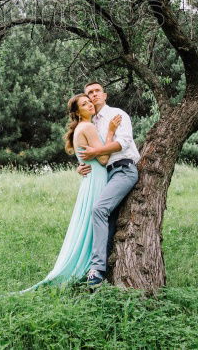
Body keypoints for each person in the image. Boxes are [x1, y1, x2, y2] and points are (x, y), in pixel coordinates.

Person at [24, 93, 120, 291]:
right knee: (99, 222)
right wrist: (110, 132)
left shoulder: (80, 129)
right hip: (97, 179)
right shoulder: (87, 127)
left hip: (90, 179)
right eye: (84, 104)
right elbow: (103, 160)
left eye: (89, 102)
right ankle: (94, 270)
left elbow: (88, 158)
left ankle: (91, 268)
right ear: (77, 112)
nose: (90, 105)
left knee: (91, 222)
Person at [75, 81, 140, 288]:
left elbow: (124, 142)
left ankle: (96, 269)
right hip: (105, 175)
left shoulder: (116, 115)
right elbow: (88, 150)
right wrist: (81, 165)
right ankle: (105, 268)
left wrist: (96, 152)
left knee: (99, 209)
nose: (93, 95)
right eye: (89, 93)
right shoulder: (91, 123)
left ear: (105, 95)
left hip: (123, 169)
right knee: (106, 218)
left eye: (96, 91)